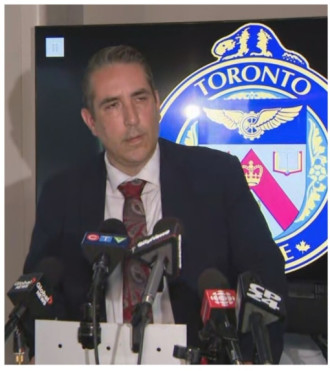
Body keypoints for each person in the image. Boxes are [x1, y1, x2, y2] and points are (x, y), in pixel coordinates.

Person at [22, 45, 287, 363]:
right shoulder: (61, 193)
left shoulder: (218, 176)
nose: (132, 119)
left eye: (140, 98)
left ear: (158, 103)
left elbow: (266, 281)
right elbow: (37, 298)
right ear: (90, 121)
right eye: (112, 106)